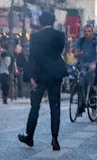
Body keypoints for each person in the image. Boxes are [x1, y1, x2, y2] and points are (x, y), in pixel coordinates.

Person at [19, 11, 67, 151]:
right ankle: (55, 138)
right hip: (54, 75)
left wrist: (31, 77)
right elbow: (59, 53)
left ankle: (30, 136)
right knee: (55, 107)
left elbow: (33, 57)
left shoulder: (35, 37)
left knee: (35, 107)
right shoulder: (60, 36)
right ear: (52, 22)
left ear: (40, 22)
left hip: (39, 75)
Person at [72, 23, 97, 117]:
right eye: (85, 31)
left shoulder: (96, 40)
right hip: (82, 65)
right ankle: (81, 103)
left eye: (89, 31)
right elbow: (76, 54)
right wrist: (80, 54)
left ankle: (92, 95)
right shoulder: (80, 41)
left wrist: (95, 64)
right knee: (80, 81)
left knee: (91, 76)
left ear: (92, 32)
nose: (87, 33)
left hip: (92, 64)